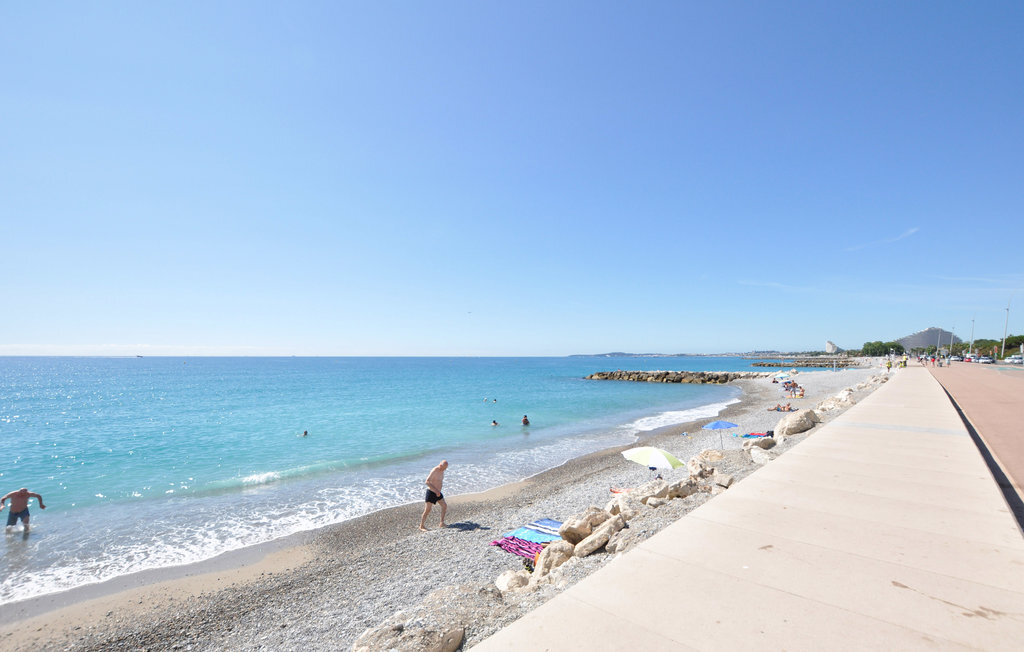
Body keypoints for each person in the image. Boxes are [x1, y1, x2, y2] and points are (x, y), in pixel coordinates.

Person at [419, 460, 448, 531]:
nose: (444, 470)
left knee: (444, 506)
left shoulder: (442, 471)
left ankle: (442, 522)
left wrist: (438, 491)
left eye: (445, 468)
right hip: (431, 492)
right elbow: (427, 481)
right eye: (444, 468)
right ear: (440, 465)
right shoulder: (435, 470)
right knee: (427, 510)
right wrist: (436, 490)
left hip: (438, 493)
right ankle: (421, 526)